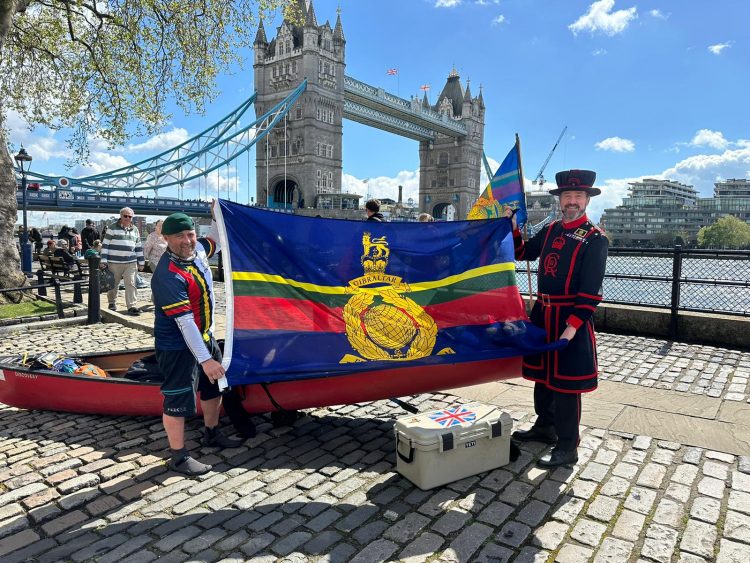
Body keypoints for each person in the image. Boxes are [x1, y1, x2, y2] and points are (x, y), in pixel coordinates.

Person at [506, 169, 608, 469]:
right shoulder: (550, 230)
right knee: (543, 380)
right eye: (567, 197)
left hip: (569, 319)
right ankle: (545, 427)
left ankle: (567, 445)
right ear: (560, 201)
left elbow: (591, 292)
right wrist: (512, 227)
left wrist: (571, 329)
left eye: (578, 196)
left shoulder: (595, 239)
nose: (572, 201)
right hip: (544, 314)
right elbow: (523, 253)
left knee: (566, 386)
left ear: (587, 200)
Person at [151, 211, 242, 476]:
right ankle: (178, 457)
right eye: (179, 236)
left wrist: (218, 214)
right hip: (177, 346)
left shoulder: (198, 248)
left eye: (190, 234)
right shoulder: (168, 275)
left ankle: (211, 434)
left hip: (204, 336)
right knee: (176, 400)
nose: (187, 240)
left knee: (213, 389)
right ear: (166, 238)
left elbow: (216, 239)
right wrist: (206, 360)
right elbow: (184, 323)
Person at [100, 207, 145, 315]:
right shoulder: (112, 228)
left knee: (131, 283)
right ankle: (112, 302)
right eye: (125, 216)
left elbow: (138, 247)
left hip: (131, 262)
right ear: (120, 216)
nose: (128, 218)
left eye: (130, 216)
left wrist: (141, 262)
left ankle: (132, 306)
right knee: (113, 284)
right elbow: (105, 245)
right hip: (114, 262)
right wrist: (103, 260)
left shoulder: (135, 230)